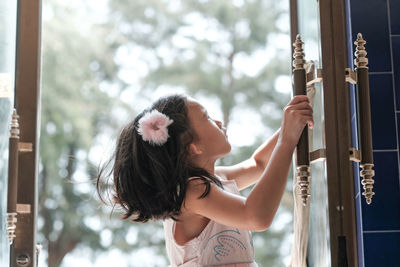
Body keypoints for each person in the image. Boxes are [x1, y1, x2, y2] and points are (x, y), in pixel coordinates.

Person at [97, 93, 313, 266]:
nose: (218, 121)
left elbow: (259, 165)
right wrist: (287, 140)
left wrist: (292, 123)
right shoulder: (190, 192)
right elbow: (255, 216)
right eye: (206, 117)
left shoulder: (216, 179)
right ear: (193, 146)